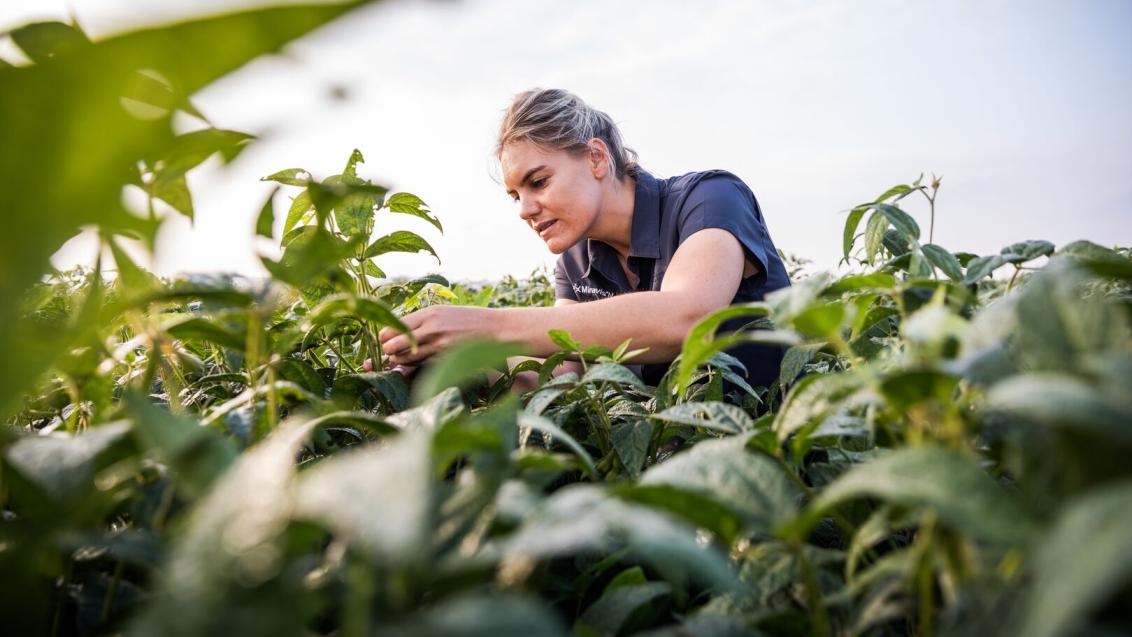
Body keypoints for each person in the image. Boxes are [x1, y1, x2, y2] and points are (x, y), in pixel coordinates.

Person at [377, 88, 790, 391]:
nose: (525, 209)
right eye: (516, 196)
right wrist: (452, 364)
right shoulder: (576, 259)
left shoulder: (708, 199)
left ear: (596, 157)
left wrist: (484, 325)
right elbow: (560, 369)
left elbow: (685, 318)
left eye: (538, 181)